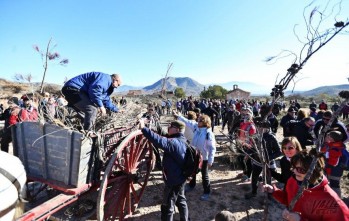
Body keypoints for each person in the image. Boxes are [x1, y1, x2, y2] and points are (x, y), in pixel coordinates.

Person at [263, 149, 349, 221]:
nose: (295, 171)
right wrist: (274, 191)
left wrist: (300, 219)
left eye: (300, 169)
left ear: (313, 171)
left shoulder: (330, 201)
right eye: (293, 167)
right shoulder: (293, 180)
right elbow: (289, 199)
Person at [139, 119, 189, 221]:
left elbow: (160, 140)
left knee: (167, 206)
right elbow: (163, 136)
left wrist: (143, 128)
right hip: (181, 177)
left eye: (170, 127)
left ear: (177, 130)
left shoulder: (173, 142)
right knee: (181, 200)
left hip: (173, 179)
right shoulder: (183, 140)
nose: (168, 128)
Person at [174, 112, 216, 201]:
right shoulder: (197, 127)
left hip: (204, 158)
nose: (198, 121)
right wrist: (179, 116)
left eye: (200, 120)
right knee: (193, 171)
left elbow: (212, 148)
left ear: (205, 122)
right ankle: (191, 185)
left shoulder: (209, 134)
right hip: (195, 154)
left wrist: (210, 160)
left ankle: (206, 192)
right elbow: (188, 122)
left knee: (204, 175)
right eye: (198, 119)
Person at [244, 125, 282, 199]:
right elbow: (253, 148)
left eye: (262, 127)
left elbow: (279, 152)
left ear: (267, 128)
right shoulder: (256, 136)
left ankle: (269, 194)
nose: (259, 128)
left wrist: (268, 158)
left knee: (268, 179)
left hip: (269, 162)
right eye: (258, 127)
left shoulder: (271, 137)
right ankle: (254, 192)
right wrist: (248, 153)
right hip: (257, 161)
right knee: (254, 177)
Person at [321, 130, 347, 197]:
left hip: (334, 171)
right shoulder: (335, 145)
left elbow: (333, 163)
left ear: (331, 139)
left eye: (328, 136)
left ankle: (337, 201)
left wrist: (325, 164)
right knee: (332, 184)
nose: (326, 137)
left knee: (334, 185)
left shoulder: (335, 149)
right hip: (334, 170)